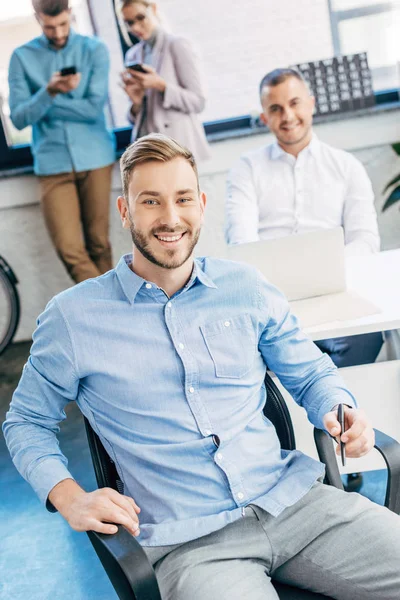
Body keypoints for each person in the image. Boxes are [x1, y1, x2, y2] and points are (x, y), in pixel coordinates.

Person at [4, 133, 400, 599]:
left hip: (297, 505)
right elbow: (26, 421)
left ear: (201, 204)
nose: (170, 218)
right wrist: (68, 495)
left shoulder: (246, 287)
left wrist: (340, 407)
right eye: (150, 201)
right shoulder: (73, 318)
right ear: (125, 211)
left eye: (183, 199)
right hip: (191, 544)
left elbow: (311, 373)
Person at [225, 68, 383, 369]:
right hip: (274, 302)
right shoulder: (246, 169)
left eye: (294, 103)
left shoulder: (347, 166)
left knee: (368, 338)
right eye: (275, 108)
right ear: (264, 118)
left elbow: (365, 240)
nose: (287, 115)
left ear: (311, 104)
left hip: (339, 294)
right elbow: (241, 242)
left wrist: (325, 272)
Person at [8, 0, 115, 283]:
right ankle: (108, 311)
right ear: (37, 17)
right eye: (49, 26)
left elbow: (93, 109)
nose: (57, 33)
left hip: (95, 158)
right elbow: (18, 118)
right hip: (52, 164)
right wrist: (49, 91)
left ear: (71, 13)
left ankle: (115, 320)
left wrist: (43, 107)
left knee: (99, 244)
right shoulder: (21, 57)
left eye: (63, 24)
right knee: (69, 250)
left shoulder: (94, 50)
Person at [120, 0, 210, 162]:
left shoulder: (177, 45)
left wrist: (161, 86)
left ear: (153, 9)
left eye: (140, 18)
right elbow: (137, 118)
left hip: (178, 144)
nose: (135, 27)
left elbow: (198, 102)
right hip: (148, 146)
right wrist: (136, 102)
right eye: (129, 23)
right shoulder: (133, 55)